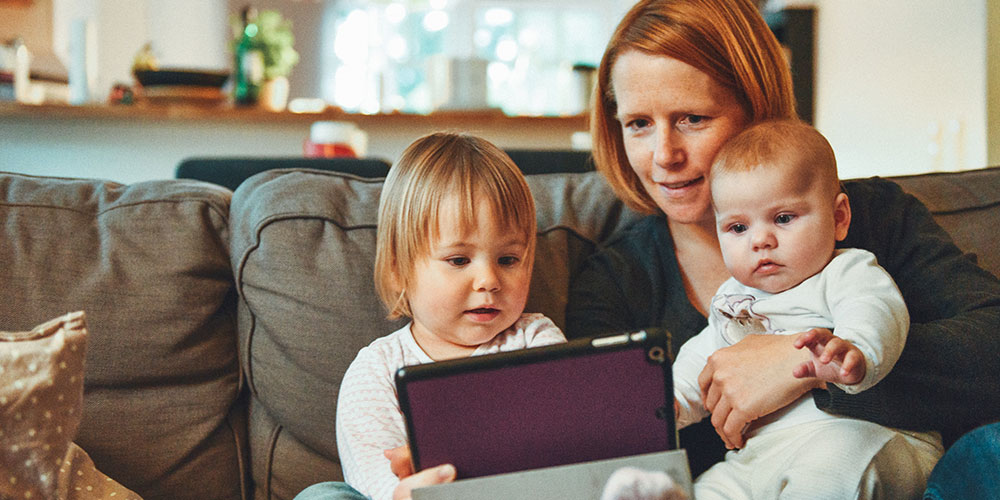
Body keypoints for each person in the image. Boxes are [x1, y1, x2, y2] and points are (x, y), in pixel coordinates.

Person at [565, 0, 1000, 489]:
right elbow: (603, 438)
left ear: (756, 109)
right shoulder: (613, 282)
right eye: (638, 124)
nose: (665, 155)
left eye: (692, 118)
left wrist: (803, 367)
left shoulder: (874, 218)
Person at [670, 119, 942, 499]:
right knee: (711, 487)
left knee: (829, 472)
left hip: (863, 435)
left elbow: (876, 309)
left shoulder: (845, 271)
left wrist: (854, 350)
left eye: (783, 219)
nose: (761, 240)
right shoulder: (732, 298)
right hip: (759, 456)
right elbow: (703, 356)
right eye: (737, 228)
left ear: (839, 217)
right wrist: (671, 402)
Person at [298, 132, 567, 500]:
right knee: (324, 496)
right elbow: (375, 478)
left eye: (508, 260)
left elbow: (563, 441)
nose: (488, 280)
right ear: (398, 270)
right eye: (458, 260)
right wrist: (406, 490)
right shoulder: (377, 368)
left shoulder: (536, 340)